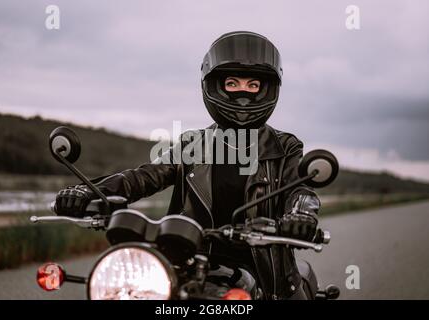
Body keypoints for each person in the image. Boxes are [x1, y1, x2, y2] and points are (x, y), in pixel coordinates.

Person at [54, 31, 321, 299]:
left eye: (253, 85)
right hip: (191, 263)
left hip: (265, 271)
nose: (243, 94)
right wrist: (86, 191)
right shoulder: (193, 144)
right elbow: (143, 177)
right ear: (215, 84)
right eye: (232, 83)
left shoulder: (285, 147)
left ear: (267, 89)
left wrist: (301, 215)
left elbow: (299, 191)